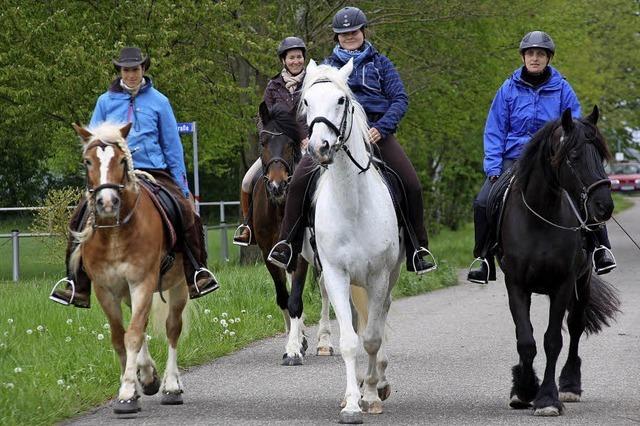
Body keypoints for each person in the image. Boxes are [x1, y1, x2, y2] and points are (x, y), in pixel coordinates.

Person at [268, 6, 435, 274]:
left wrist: (382, 127)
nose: (349, 36)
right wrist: (310, 135)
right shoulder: (326, 67)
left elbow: (400, 99)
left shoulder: (381, 64)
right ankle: (288, 244)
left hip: (375, 134)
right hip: (335, 137)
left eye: (353, 32)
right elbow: (307, 104)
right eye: (343, 34)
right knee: (299, 181)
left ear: (363, 32)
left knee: (411, 184)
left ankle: (418, 248)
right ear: (336, 37)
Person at [50, 47, 219, 308]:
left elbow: (173, 148)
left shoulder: (160, 102)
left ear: (144, 70)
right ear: (119, 71)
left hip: (154, 172)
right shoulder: (104, 102)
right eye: (126, 70)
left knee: (187, 214)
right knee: (79, 216)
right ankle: (76, 284)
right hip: (114, 175)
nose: (131, 74)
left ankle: (197, 272)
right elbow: (93, 144)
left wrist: (183, 190)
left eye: (135, 69)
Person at [467, 31, 616, 284]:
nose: (535, 58)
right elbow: (494, 129)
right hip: (514, 158)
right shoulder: (507, 89)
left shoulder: (562, 88)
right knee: (483, 201)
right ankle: (483, 257)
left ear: (548, 58)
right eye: (530, 53)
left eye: (540, 54)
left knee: (583, 194)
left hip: (552, 160)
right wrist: (493, 167)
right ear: (524, 57)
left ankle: (601, 249)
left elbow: (575, 126)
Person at [233, 36, 309, 246]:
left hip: (306, 144)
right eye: (291, 57)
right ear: (283, 60)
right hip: (277, 146)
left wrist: (306, 138)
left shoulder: (312, 82)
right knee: (247, 181)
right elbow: (263, 118)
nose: (296, 61)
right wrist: (268, 138)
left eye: (299, 57)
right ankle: (248, 228)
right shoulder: (273, 86)